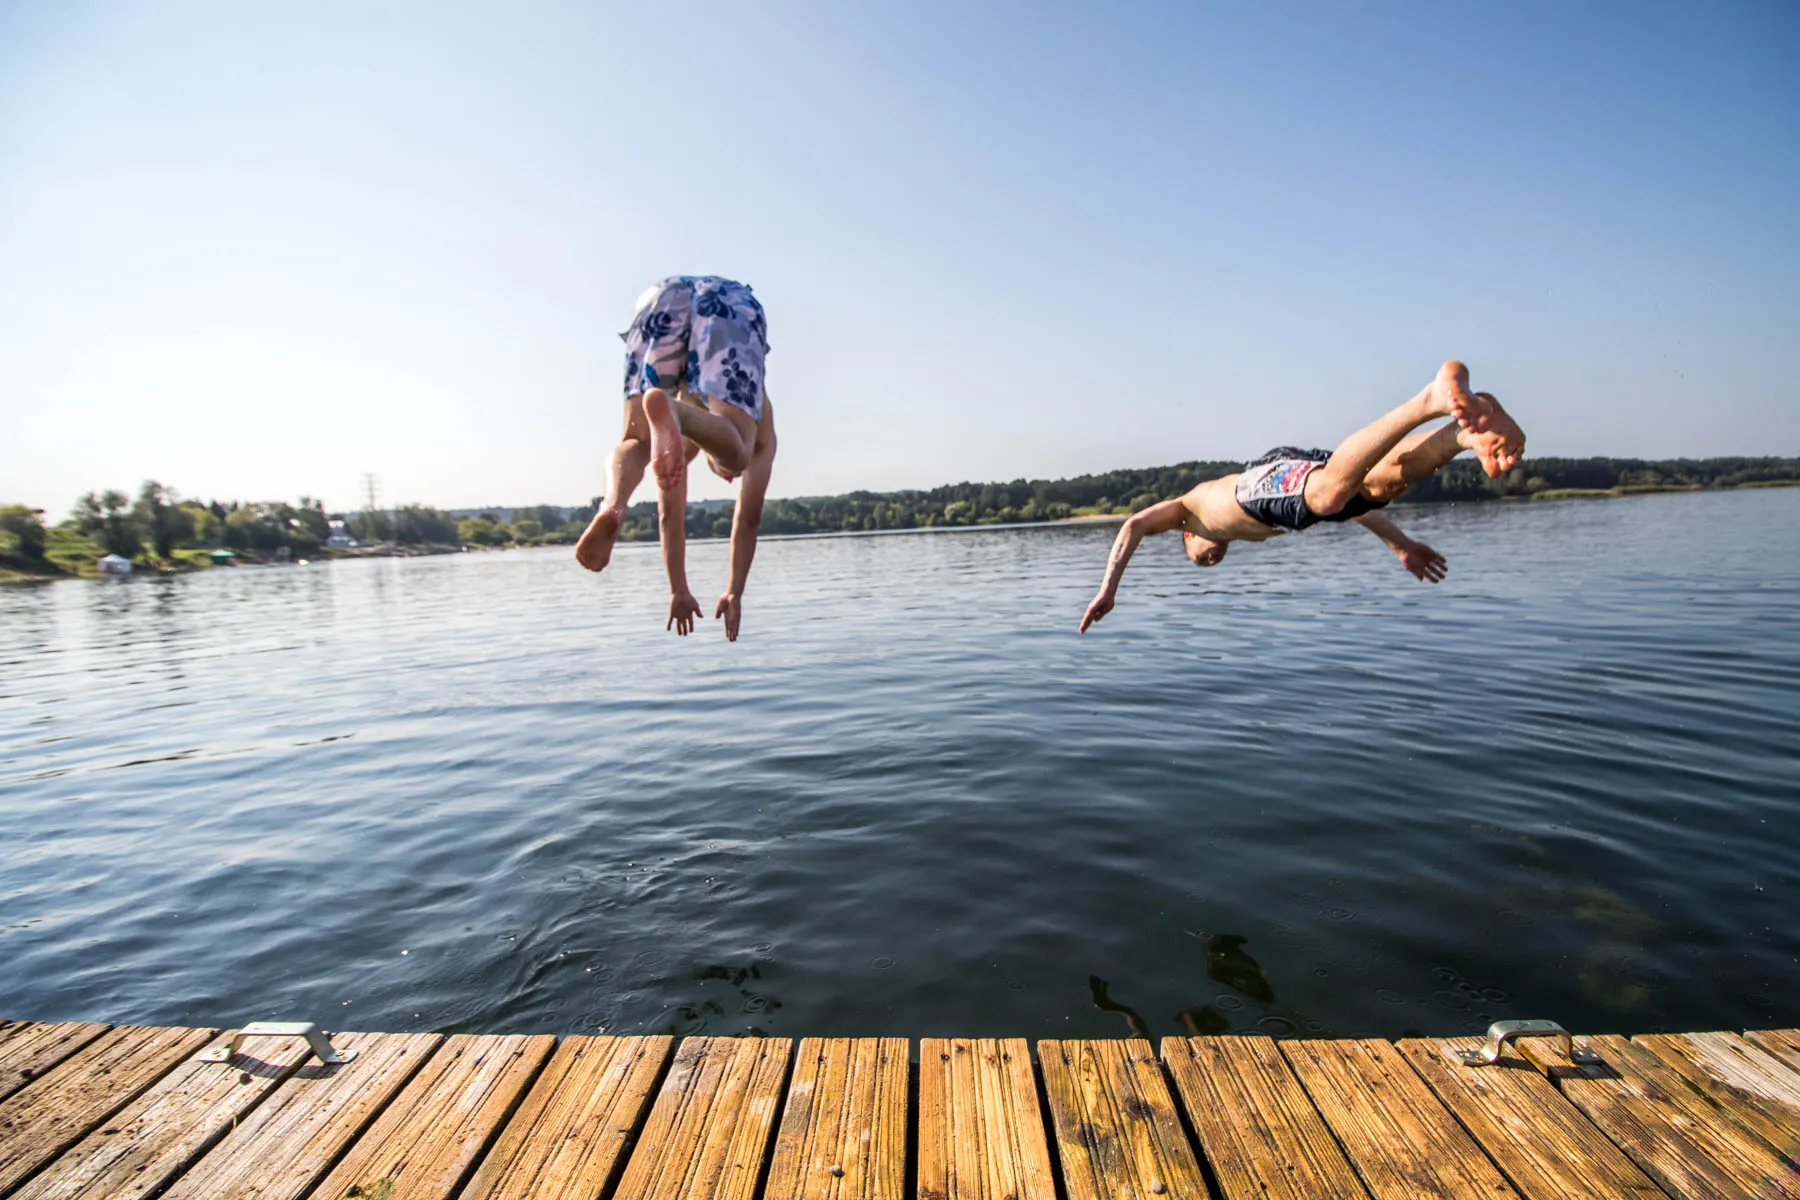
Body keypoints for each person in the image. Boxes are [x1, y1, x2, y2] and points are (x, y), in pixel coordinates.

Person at [1078, 360, 1525, 633]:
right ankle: (1464, 434)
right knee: (1373, 490)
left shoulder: (1185, 512)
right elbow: (1358, 515)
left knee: (1330, 496)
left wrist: (1108, 590)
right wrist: (1402, 545)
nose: (1210, 560)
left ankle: (1428, 400)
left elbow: (1133, 525)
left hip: (1259, 487)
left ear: (1187, 538)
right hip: (1279, 487)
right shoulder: (1237, 529)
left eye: (1198, 559)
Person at [574, 276, 778, 640]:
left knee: (636, 440)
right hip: (729, 305)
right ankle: (678, 414)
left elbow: (670, 515)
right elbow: (748, 519)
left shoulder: (671, 446)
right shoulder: (761, 427)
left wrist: (679, 589)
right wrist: (735, 591)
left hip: (661, 297)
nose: (728, 477)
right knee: (739, 454)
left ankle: (612, 505)